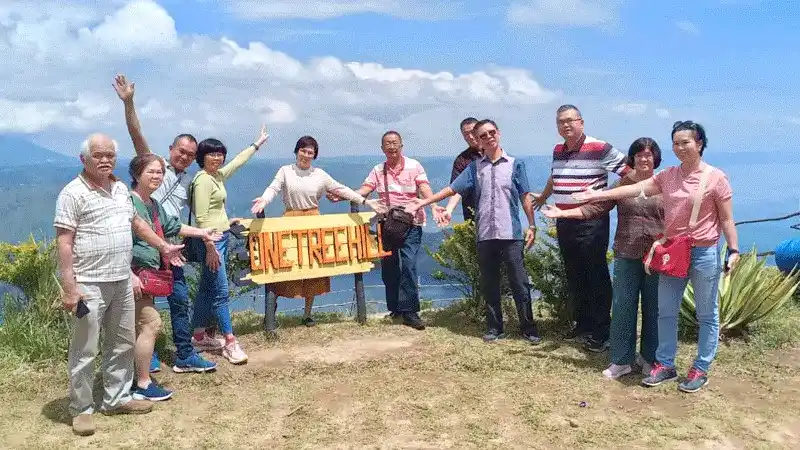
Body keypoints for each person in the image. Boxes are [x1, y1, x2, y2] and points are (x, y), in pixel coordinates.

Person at [573, 121, 739, 393]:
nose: (680, 147)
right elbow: (633, 189)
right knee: (665, 312)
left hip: (703, 252)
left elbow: (727, 219)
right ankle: (665, 364)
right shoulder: (669, 176)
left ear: (699, 144)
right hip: (673, 252)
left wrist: (733, 249)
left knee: (707, 315)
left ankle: (701, 367)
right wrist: (599, 193)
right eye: (676, 143)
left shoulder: (716, 178)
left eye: (686, 142)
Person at [54, 133, 185, 436]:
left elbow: (136, 224)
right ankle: (82, 408)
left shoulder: (120, 189)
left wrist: (164, 246)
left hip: (122, 279)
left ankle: (115, 398)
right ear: (83, 159)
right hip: (89, 282)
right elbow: (64, 242)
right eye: (98, 155)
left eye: (110, 155)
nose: (105, 160)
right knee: (85, 348)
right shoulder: (72, 193)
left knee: (122, 342)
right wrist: (70, 286)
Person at [113, 74, 218, 374]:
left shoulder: (191, 181)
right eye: (180, 151)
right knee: (145, 307)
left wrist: (206, 237)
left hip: (171, 247)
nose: (184, 157)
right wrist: (129, 102)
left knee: (179, 301)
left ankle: (184, 354)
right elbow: (136, 133)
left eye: (190, 154)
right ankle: (150, 355)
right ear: (170, 149)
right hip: (144, 248)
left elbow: (191, 217)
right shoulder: (156, 168)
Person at [405, 119, 541, 343]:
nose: (488, 138)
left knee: (520, 282)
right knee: (489, 283)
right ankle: (494, 328)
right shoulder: (473, 167)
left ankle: (529, 328)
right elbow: (452, 189)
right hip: (485, 234)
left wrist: (532, 225)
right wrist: (423, 203)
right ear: (478, 141)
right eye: (483, 136)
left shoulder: (516, 164)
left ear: (499, 133)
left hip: (511, 234)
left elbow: (525, 196)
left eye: (491, 133)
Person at [543, 138, 664, 378]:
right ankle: (621, 360)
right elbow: (595, 208)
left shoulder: (664, 184)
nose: (644, 159)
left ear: (655, 159)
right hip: (626, 253)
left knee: (654, 309)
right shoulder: (622, 184)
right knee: (622, 307)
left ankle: (649, 358)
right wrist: (564, 212)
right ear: (632, 159)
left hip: (657, 256)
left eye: (648, 155)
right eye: (639, 155)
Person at [250, 136, 386, 326]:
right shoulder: (285, 171)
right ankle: (270, 313)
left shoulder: (320, 174)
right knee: (281, 265)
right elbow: (273, 188)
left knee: (314, 267)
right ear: (296, 151)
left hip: (313, 221)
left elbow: (341, 189)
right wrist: (264, 200)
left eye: (310, 152)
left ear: (315, 156)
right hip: (290, 221)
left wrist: (366, 201)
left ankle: (307, 314)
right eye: (303, 150)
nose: (306, 155)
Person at [534, 104, 630, 352]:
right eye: (560, 122)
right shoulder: (558, 150)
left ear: (581, 122)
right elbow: (556, 177)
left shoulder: (599, 148)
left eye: (570, 120)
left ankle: (602, 331)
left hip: (591, 221)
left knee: (595, 274)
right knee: (575, 273)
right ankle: (583, 324)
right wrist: (544, 196)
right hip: (564, 219)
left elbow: (629, 172)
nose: (565, 125)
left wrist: (607, 195)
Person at [128, 154, 222, 401]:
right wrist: (129, 274)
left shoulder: (152, 204)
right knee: (149, 324)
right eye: (151, 172)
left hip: (150, 272)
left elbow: (173, 226)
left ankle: (136, 380)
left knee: (143, 325)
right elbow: (120, 241)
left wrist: (202, 232)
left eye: (160, 172)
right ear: (137, 174)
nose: (157, 176)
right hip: (134, 274)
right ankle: (141, 382)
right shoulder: (129, 203)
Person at [335, 131, 433, 330]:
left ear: (401, 145)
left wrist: (432, 204)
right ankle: (395, 308)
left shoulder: (415, 166)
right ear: (382, 148)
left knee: (409, 264)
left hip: (412, 223)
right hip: (386, 224)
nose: (391, 146)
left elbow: (424, 187)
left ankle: (410, 311)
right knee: (389, 268)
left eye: (395, 143)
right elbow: (366, 189)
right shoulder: (378, 170)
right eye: (387, 143)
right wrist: (345, 196)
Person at [189, 125, 269, 364]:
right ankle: (230, 342)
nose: (217, 157)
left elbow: (237, 163)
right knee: (221, 293)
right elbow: (202, 217)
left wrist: (257, 144)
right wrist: (211, 247)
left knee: (206, 289)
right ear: (201, 157)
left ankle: (199, 335)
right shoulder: (203, 180)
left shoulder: (216, 176)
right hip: (211, 242)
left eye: (220, 153)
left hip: (218, 236)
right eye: (211, 154)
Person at [441, 117, 482, 223]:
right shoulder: (462, 160)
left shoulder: (495, 154)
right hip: (473, 215)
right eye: (466, 134)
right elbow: (456, 189)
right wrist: (449, 210)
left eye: (473, 132)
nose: (470, 137)